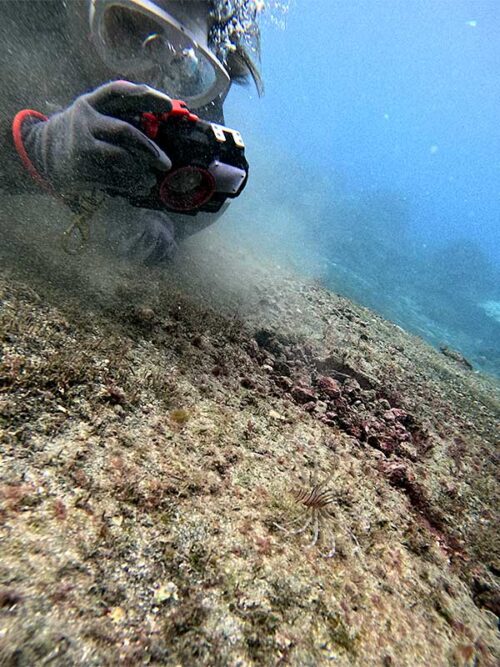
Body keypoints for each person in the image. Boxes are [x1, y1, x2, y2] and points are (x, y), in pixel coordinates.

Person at [0, 0, 263, 264]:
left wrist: (164, 215)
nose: (146, 77)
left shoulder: (193, 92)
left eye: (182, 61)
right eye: (126, 26)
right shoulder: (20, 16)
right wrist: (34, 148)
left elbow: (208, 187)